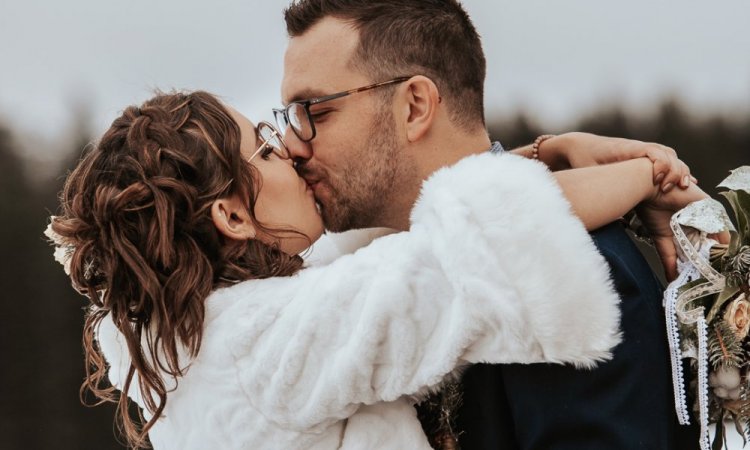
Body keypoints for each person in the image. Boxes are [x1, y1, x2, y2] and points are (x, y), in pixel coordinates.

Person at [48, 91, 704, 449]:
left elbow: (382, 243)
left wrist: (545, 155)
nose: (297, 149)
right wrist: (648, 174)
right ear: (232, 217)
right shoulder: (257, 345)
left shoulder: (202, 342)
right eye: (269, 148)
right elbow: (470, 249)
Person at [277, 0, 700, 448]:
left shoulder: (562, 262)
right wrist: (546, 151)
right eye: (289, 116)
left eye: (315, 112)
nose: (292, 145)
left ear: (415, 106)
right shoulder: (366, 273)